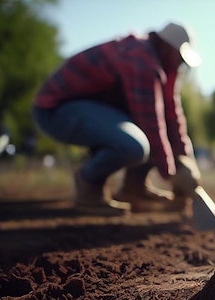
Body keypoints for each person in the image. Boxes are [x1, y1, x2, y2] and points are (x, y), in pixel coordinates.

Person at [32, 22, 203, 215]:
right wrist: (171, 173)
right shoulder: (141, 61)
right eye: (179, 57)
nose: (180, 64)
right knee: (135, 145)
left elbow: (171, 115)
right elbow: (152, 124)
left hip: (91, 110)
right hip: (56, 110)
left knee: (149, 135)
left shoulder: (161, 64)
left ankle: (133, 188)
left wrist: (185, 160)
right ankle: (88, 183)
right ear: (166, 47)